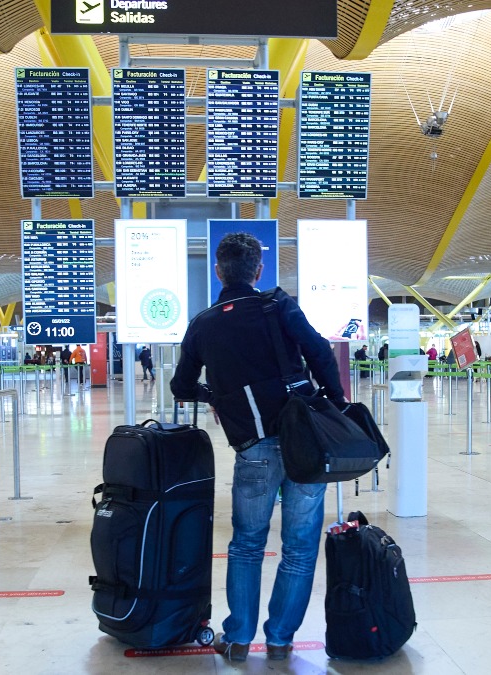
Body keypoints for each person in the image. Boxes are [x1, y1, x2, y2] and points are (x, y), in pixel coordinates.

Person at [170, 232, 345, 663]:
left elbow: (180, 386)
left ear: (218, 271)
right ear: (259, 271)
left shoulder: (203, 323)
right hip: (305, 442)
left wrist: (216, 396)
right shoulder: (277, 304)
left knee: (247, 542)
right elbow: (319, 351)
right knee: (300, 545)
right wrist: (337, 402)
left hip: (253, 447)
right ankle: (282, 640)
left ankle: (239, 637)